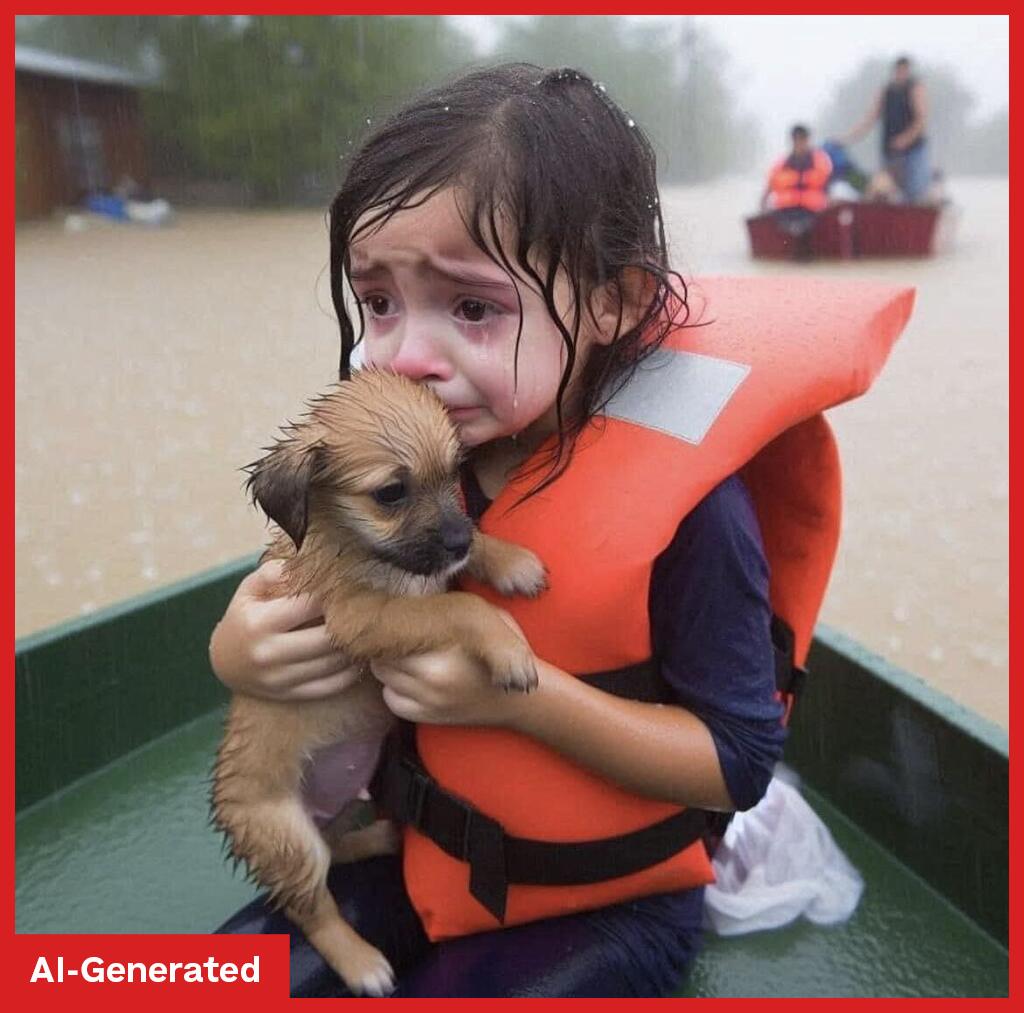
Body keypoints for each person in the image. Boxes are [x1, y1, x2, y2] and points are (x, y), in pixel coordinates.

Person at [207, 63, 904, 997]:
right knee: (182, 979)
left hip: (600, 898)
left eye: (472, 308)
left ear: (612, 300)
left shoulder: (697, 514)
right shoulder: (404, 450)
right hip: (406, 846)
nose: (407, 355)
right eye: (377, 301)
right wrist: (238, 652)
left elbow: (736, 765)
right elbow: (310, 587)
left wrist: (518, 701)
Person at [841, 55, 931, 203]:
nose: (901, 74)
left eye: (904, 70)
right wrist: (847, 138)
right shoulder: (887, 90)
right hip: (890, 152)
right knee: (883, 191)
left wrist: (905, 139)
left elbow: (922, 120)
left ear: (909, 71)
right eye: (899, 70)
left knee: (914, 192)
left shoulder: (915, 88)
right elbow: (870, 118)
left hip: (913, 151)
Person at [760, 123, 833, 219]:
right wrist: (763, 204)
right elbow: (769, 187)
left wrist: (830, 203)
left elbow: (828, 185)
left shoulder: (820, 161)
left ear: (807, 140)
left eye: (802, 138)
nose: (799, 142)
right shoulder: (781, 164)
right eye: (796, 139)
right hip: (784, 212)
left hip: (813, 212)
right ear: (792, 141)